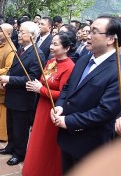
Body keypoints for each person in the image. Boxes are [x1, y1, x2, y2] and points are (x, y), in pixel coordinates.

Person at [50, 15, 121, 174]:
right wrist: (60, 106)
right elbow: (68, 87)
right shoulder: (84, 59)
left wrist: (69, 121)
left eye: (94, 32)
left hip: (90, 145)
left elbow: (105, 111)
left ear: (110, 39)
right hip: (68, 137)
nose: (88, 35)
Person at [22, 31, 76, 176]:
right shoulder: (51, 62)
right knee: (37, 140)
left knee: (48, 143)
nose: (51, 47)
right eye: (51, 43)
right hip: (41, 106)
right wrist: (37, 86)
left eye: (55, 44)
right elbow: (42, 81)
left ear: (66, 48)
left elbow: (63, 94)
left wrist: (41, 90)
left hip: (54, 110)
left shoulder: (69, 67)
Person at [0, 21, 44, 166]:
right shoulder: (21, 49)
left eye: (22, 32)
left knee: (20, 129)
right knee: (10, 125)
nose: (19, 34)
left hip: (23, 99)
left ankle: (19, 153)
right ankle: (10, 146)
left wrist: (10, 79)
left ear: (32, 36)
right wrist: (6, 81)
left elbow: (32, 78)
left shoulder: (37, 54)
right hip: (12, 94)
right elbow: (13, 68)